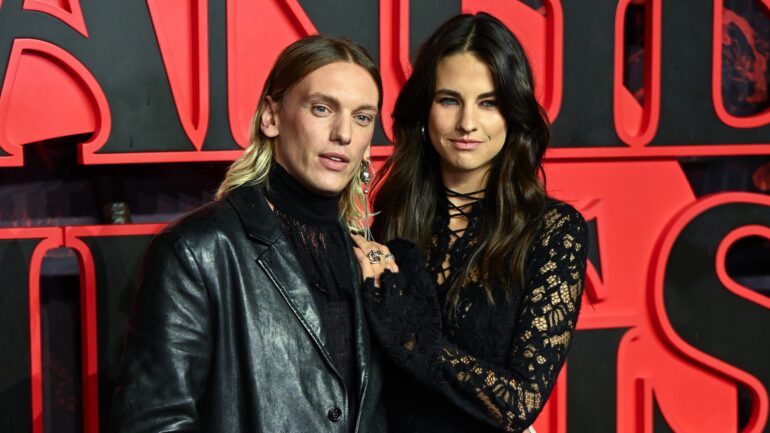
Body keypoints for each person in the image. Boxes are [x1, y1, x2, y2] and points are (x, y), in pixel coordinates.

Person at [111, 35, 386, 433]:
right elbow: (153, 422)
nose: (343, 133)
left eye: (362, 117)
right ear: (271, 117)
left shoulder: (368, 254)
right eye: (322, 108)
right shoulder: (198, 250)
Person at [351, 12, 588, 433]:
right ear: (424, 109)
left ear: (512, 114)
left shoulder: (553, 231)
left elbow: (520, 403)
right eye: (449, 100)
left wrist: (415, 341)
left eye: (489, 102)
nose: (467, 123)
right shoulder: (391, 211)